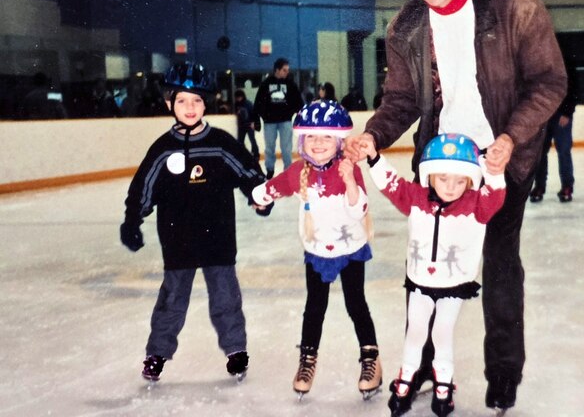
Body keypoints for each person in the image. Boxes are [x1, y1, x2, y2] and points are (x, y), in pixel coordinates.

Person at [344, 0, 566, 412]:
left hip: (502, 161)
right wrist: (373, 136)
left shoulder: (515, 5)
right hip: (439, 167)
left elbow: (549, 82)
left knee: (502, 265)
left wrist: (510, 138)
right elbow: (401, 100)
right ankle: (419, 366)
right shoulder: (406, 26)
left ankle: (503, 373)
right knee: (425, 268)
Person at [119, 62, 269, 383]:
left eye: (197, 101)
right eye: (182, 100)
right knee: (172, 299)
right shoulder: (162, 148)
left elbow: (247, 171)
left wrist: (259, 195)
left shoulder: (220, 142)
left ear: (206, 103)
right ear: (169, 103)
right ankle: (157, 353)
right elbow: (143, 186)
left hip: (218, 236)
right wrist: (133, 219)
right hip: (178, 238)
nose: (190, 107)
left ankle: (235, 350)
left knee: (226, 296)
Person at [361, 133, 506, 417]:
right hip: (420, 283)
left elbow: (496, 196)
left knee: (441, 333)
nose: (450, 187)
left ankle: (443, 384)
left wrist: (495, 173)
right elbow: (392, 184)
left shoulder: (476, 205)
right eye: (443, 179)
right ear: (429, 176)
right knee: (415, 332)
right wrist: (374, 157)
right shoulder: (416, 198)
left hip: (453, 285)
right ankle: (406, 378)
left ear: (470, 180)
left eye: (459, 180)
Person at [251, 100, 382, 400]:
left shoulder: (348, 169)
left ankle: (371, 359)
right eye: (312, 136)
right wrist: (260, 196)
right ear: (302, 141)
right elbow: (273, 187)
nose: (319, 143)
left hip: (350, 249)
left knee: (356, 304)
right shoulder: (300, 171)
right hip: (317, 249)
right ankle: (307, 360)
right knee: (315, 307)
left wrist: (350, 181)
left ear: (338, 142)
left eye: (326, 137)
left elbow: (359, 208)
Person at [529, 60, 579, 203]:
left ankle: (567, 186)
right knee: (539, 153)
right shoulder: (537, 62)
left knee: (563, 151)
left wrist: (567, 112)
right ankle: (539, 186)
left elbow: (574, 88)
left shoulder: (565, 61)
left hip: (561, 115)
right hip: (542, 116)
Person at [255, 58, 304, 179]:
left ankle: (288, 171)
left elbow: (298, 102)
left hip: (285, 121)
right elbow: (259, 102)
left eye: (287, 70)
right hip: (269, 122)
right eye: (284, 70)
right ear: (277, 70)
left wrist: (300, 114)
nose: (287, 72)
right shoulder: (266, 83)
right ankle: (270, 169)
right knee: (269, 147)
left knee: (286, 148)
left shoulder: (290, 84)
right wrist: (260, 117)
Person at [234, 89, 263, 172]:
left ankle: (256, 155)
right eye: (237, 97)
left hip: (249, 125)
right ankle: (242, 155)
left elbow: (254, 113)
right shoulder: (237, 104)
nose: (238, 99)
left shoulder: (248, 103)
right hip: (241, 126)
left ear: (242, 96)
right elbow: (238, 114)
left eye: (239, 97)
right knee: (240, 141)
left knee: (252, 140)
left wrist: (254, 123)